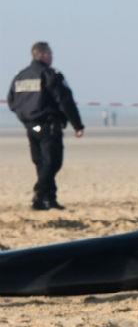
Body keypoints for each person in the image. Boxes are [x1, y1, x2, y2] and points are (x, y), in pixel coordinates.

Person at [7, 41, 84, 210]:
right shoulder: (49, 75)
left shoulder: (20, 76)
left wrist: (25, 118)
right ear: (42, 55)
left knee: (41, 162)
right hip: (47, 126)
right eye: (50, 54)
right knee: (53, 162)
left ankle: (47, 200)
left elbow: (12, 102)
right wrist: (77, 125)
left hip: (31, 127)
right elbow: (65, 101)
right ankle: (40, 192)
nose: (52, 58)